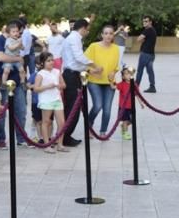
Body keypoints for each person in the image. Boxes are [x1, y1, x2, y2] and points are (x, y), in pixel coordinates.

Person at [59, 19, 94, 147]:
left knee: (73, 107)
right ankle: (65, 136)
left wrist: (87, 68)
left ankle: (66, 135)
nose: (87, 32)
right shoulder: (75, 38)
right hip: (71, 76)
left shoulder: (72, 38)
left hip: (73, 74)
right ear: (83, 28)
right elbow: (79, 57)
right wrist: (93, 65)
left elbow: (76, 61)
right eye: (87, 29)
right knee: (73, 107)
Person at [84, 25, 120, 137]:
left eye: (110, 33)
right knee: (98, 105)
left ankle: (103, 132)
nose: (108, 35)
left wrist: (114, 72)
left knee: (107, 109)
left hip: (109, 82)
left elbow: (116, 66)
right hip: (94, 81)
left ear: (113, 35)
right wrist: (92, 71)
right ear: (102, 35)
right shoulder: (93, 46)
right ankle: (88, 126)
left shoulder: (116, 48)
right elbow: (84, 62)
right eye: (106, 33)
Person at [34, 52, 69, 153]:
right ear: (42, 63)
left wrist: (60, 86)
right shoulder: (40, 74)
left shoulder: (57, 72)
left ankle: (60, 144)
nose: (51, 62)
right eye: (48, 61)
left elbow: (64, 85)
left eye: (52, 60)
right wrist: (47, 86)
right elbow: (36, 88)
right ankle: (47, 144)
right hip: (46, 100)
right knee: (46, 122)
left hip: (57, 99)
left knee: (62, 122)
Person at [136, 15, 157, 93]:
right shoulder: (153, 30)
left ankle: (135, 87)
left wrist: (142, 39)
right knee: (150, 71)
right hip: (151, 55)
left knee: (139, 71)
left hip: (145, 54)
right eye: (143, 21)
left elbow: (138, 39)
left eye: (146, 21)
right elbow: (143, 40)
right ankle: (152, 87)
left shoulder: (148, 30)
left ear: (150, 22)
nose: (144, 23)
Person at [116, 66, 137, 140]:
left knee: (131, 120)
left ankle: (123, 126)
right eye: (126, 74)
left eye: (129, 73)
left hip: (131, 106)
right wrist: (110, 80)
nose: (128, 75)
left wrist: (141, 103)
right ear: (123, 77)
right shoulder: (122, 84)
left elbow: (137, 94)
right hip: (123, 107)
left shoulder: (134, 84)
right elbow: (113, 86)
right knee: (125, 120)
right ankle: (125, 133)